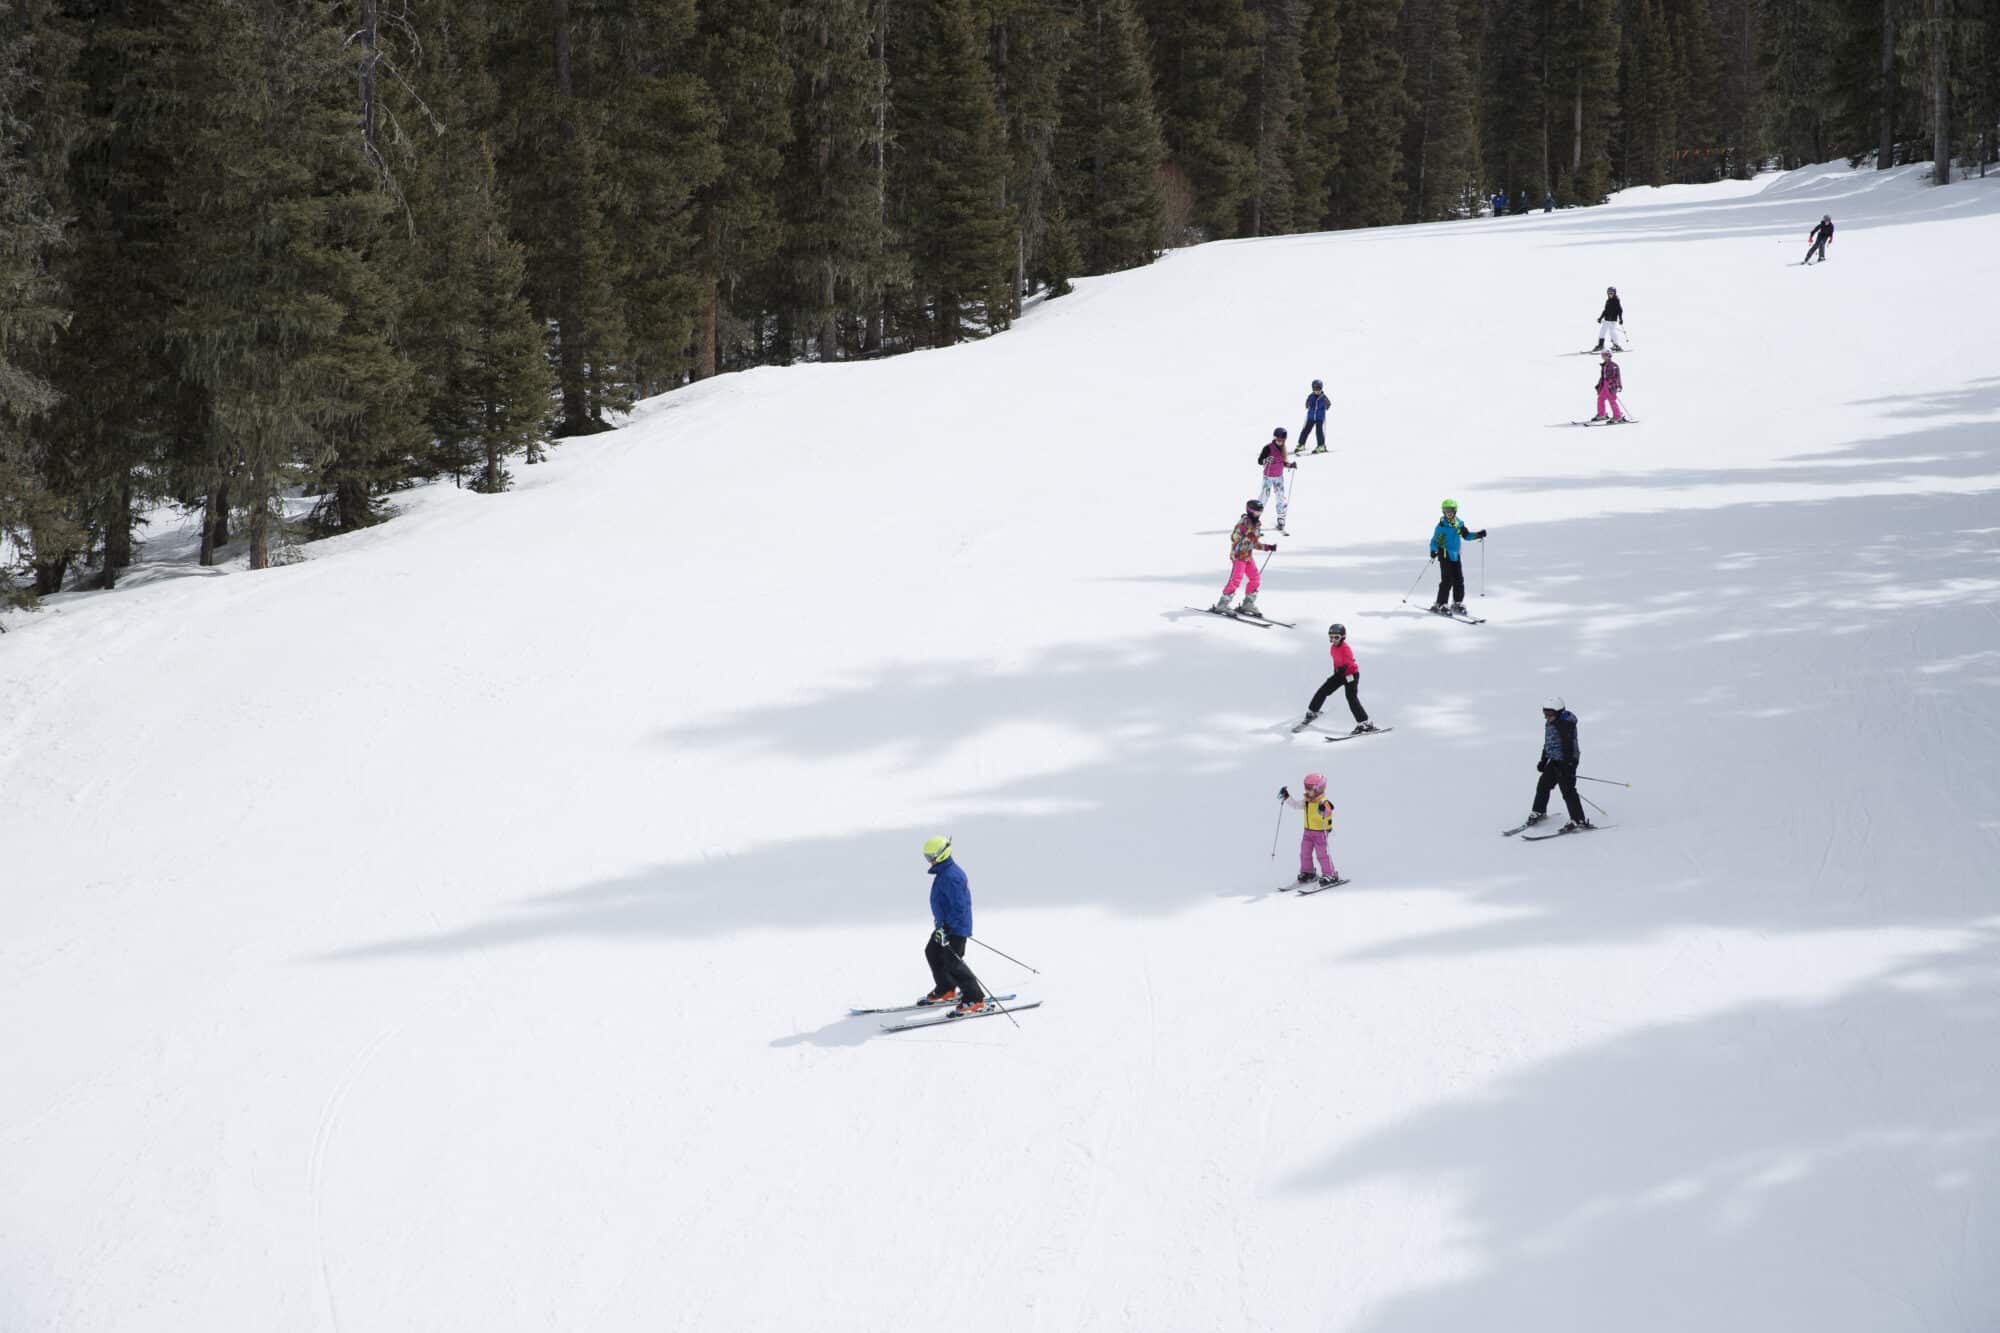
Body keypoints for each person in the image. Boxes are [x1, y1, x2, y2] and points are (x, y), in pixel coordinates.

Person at [917, 836, 989, 1015]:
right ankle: (946, 988)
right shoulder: (944, 872)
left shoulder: (952, 876)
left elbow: (960, 907)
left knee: (953, 963)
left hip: (955, 927)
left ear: (942, 854)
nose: (929, 860)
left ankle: (974, 998)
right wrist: (942, 927)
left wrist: (947, 928)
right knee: (932, 952)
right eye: (927, 857)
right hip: (945, 926)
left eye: (931, 856)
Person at [1525, 698, 1592, 831]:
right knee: (1543, 785)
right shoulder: (1551, 722)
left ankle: (1578, 820)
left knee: (1568, 790)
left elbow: (1568, 747)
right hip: (1555, 760)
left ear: (1559, 712)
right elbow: (1549, 743)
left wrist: (1567, 766)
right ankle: (1539, 811)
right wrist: (1543, 761)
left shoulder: (1565, 724)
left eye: (1549, 713)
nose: (1546, 716)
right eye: (1545, 713)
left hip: (1567, 761)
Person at [1302, 623, 1375, 734]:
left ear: (1343, 637)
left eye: (1336, 637)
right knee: (1323, 690)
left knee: (1351, 698)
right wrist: (1336, 673)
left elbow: (1349, 662)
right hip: (1339, 675)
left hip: (1351, 676)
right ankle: (1312, 711)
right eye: (1331, 637)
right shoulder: (1333, 648)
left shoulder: (1345, 648)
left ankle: (1364, 723)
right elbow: (1336, 662)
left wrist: (1342, 670)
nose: (1334, 640)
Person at [1211, 498, 1276, 618]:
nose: (1258, 515)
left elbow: (1254, 543)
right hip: (1239, 556)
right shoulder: (1243, 523)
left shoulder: (1256, 525)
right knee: (1236, 579)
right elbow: (1234, 538)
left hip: (1248, 556)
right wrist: (1245, 536)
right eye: (1256, 512)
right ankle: (1222, 604)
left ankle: (1248, 603)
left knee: (1255, 579)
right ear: (1250, 511)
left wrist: (1268, 547)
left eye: (1260, 513)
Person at [1278, 773, 1340, 886]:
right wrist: (1286, 796)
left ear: (1319, 788)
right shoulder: (1307, 801)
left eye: (1309, 787)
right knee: (1304, 853)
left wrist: (1323, 810)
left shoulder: (1323, 802)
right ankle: (1308, 873)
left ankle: (1330, 874)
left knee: (1322, 854)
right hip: (1307, 832)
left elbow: (1329, 811)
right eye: (1306, 786)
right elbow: (1296, 805)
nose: (1307, 790)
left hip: (1320, 833)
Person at [1428, 499, 1487, 615]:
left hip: (1455, 555)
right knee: (1447, 580)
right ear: (1443, 512)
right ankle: (1441, 604)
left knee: (1458, 580)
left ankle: (1457, 603)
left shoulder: (1459, 525)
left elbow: (1466, 536)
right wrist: (1433, 550)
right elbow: (1434, 541)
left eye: (1451, 510)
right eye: (1446, 511)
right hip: (1444, 554)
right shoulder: (1441, 526)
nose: (1448, 513)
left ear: (1455, 511)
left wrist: (1478, 535)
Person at [1257, 428, 1294, 533]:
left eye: (1282, 439)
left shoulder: (1283, 449)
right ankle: (1255, 518)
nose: (1280, 441)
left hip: (1279, 477)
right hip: (1268, 476)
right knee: (1264, 496)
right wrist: (1266, 460)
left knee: (1280, 496)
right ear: (1274, 438)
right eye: (1278, 439)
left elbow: (1282, 462)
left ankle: (1281, 517)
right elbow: (1259, 461)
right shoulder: (1268, 448)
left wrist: (1290, 465)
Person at [1297, 380, 1331, 455]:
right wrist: (1308, 404)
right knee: (1305, 430)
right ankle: (1301, 444)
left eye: (1319, 389)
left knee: (1319, 432)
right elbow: (1306, 404)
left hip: (1319, 418)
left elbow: (1328, 405)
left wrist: (1327, 405)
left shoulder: (1324, 398)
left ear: (1321, 388)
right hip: (1311, 417)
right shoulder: (1311, 396)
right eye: (1315, 389)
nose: (1317, 391)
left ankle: (1321, 446)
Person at [1592, 352, 1625, 423]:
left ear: (1609, 356)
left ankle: (1618, 416)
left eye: (1605, 355)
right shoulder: (1604, 365)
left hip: (1610, 385)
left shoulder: (1613, 365)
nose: (1603, 357)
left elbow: (1616, 377)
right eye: (1602, 355)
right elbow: (1603, 376)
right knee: (1600, 398)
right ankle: (1602, 414)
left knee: (1611, 400)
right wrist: (1599, 384)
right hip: (1604, 385)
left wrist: (1615, 385)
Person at [1593, 286, 1624, 351]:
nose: (1610, 294)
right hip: (1606, 319)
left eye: (1612, 293)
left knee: (1612, 332)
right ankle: (1600, 345)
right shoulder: (1608, 301)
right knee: (1602, 331)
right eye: (1609, 293)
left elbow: (1620, 310)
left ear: (1614, 293)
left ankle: (1616, 345)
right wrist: (1600, 318)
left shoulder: (1616, 300)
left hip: (1613, 320)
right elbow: (1605, 310)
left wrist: (1620, 319)